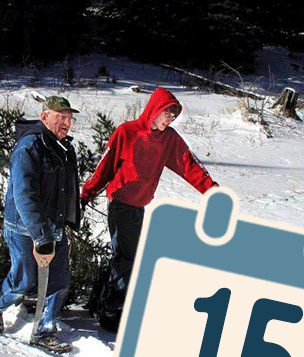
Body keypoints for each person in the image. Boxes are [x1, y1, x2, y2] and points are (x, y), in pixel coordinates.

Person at [81, 87, 218, 332]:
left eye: (173, 117)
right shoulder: (127, 132)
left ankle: (97, 300)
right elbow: (105, 167)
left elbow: (189, 166)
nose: (169, 120)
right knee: (126, 257)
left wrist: (212, 191)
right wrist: (87, 193)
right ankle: (111, 310)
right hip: (120, 202)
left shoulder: (169, 139)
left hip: (139, 205)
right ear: (154, 110)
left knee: (125, 254)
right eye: (167, 114)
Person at [0, 96, 81, 353]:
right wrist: (41, 235)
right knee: (24, 279)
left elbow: (66, 189)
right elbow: (24, 195)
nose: (66, 123)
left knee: (59, 280)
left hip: (55, 227)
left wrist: (68, 221)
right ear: (44, 118)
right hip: (25, 228)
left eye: (69, 118)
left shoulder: (62, 147)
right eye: (60, 117)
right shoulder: (29, 148)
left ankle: (44, 330)